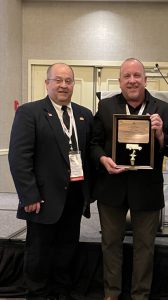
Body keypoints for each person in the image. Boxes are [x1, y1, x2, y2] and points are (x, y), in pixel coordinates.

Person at [90, 58, 168, 300]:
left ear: (145, 79)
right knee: (110, 245)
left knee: (145, 248)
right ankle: (111, 294)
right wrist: (103, 160)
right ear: (120, 81)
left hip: (147, 190)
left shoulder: (165, 111)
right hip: (112, 188)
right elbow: (94, 144)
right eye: (127, 76)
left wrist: (161, 134)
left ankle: (140, 295)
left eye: (137, 76)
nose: (132, 80)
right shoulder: (106, 107)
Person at [8, 63, 93, 300]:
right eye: (58, 80)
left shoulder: (84, 114)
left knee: (67, 252)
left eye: (68, 81)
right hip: (42, 200)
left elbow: (88, 154)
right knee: (39, 255)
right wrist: (29, 195)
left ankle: (61, 294)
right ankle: (37, 295)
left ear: (74, 85)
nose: (63, 85)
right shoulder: (29, 112)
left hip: (74, 198)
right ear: (47, 83)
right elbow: (19, 157)